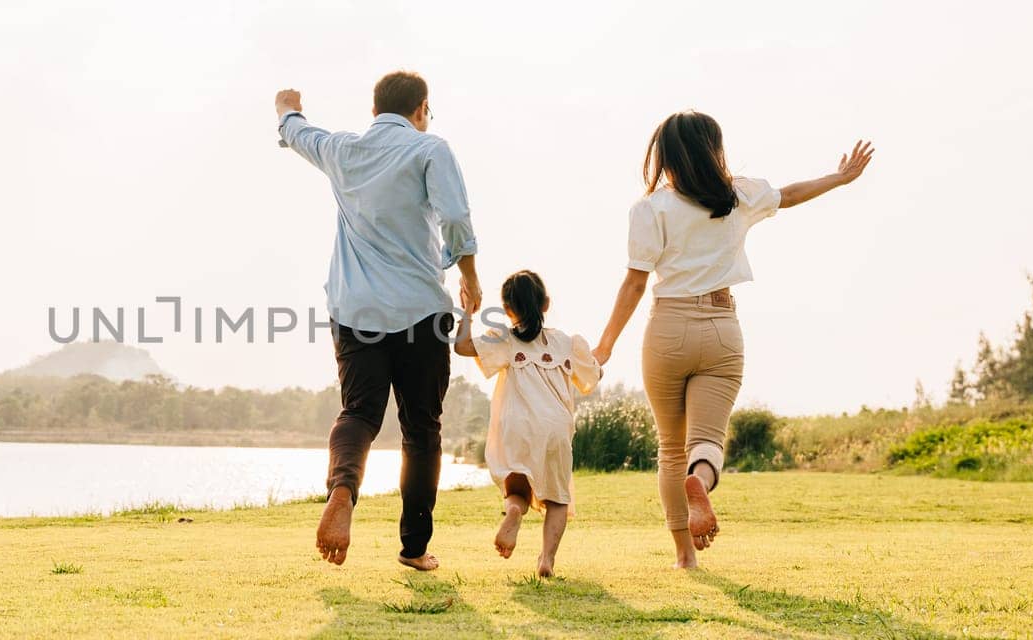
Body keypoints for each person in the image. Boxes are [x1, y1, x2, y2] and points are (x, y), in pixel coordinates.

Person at [592, 110, 874, 569]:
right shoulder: (739, 195)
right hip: (721, 328)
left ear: (663, 155)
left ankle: (685, 555)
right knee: (706, 441)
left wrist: (606, 346)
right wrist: (839, 178)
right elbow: (792, 194)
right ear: (713, 148)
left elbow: (634, 284)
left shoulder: (650, 209)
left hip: (667, 329)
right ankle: (700, 479)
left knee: (669, 446)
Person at [274, 71, 480, 571]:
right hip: (421, 312)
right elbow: (454, 215)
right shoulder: (430, 149)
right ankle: (414, 548)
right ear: (422, 109)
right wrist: (469, 274)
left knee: (360, 413)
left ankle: (343, 490)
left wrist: (287, 108)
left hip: (355, 309)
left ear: (374, 110)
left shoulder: (343, 150)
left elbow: (299, 132)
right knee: (421, 428)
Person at [454, 270, 600, 577]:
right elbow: (592, 377)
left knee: (517, 485)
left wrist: (467, 311)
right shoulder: (566, 343)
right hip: (557, 427)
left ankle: (516, 511)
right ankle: (546, 558)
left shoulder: (504, 339)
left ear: (508, 310)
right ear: (546, 304)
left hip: (518, 423)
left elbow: (463, 346)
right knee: (558, 497)